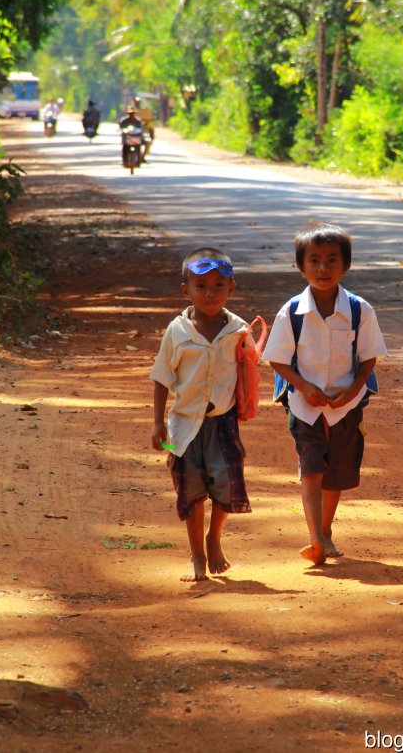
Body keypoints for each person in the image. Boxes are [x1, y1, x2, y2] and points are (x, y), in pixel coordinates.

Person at [263, 223, 387, 566]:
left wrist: (351, 391)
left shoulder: (360, 310)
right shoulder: (290, 312)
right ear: (300, 267)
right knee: (311, 469)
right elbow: (278, 359)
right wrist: (303, 386)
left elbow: (368, 359)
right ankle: (315, 537)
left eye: (332, 260)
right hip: (304, 407)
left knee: (337, 474)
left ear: (345, 266)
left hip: (346, 406)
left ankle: (326, 529)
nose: (323, 268)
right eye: (314, 260)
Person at [150, 248, 253, 583]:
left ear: (231, 289)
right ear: (186, 291)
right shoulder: (177, 332)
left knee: (228, 488)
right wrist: (157, 424)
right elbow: (162, 377)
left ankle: (214, 538)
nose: (210, 293)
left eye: (219, 286)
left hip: (224, 424)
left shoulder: (239, 330)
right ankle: (197, 553)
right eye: (201, 286)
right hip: (184, 428)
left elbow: (250, 369)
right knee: (191, 492)